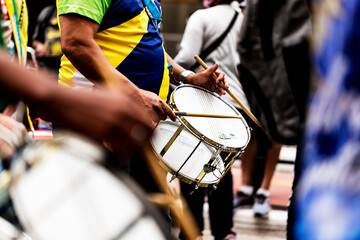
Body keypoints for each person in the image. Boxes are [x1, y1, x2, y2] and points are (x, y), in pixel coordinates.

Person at [174, 0, 248, 239]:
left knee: (193, 165)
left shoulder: (201, 17)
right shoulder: (244, 19)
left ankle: (193, 231)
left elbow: (185, 58)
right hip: (237, 103)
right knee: (222, 167)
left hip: (206, 102)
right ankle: (224, 231)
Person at [31, 1, 62, 72]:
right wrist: (39, 46)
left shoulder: (74, 12)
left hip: (66, 61)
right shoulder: (47, 12)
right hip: (49, 62)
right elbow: (35, 40)